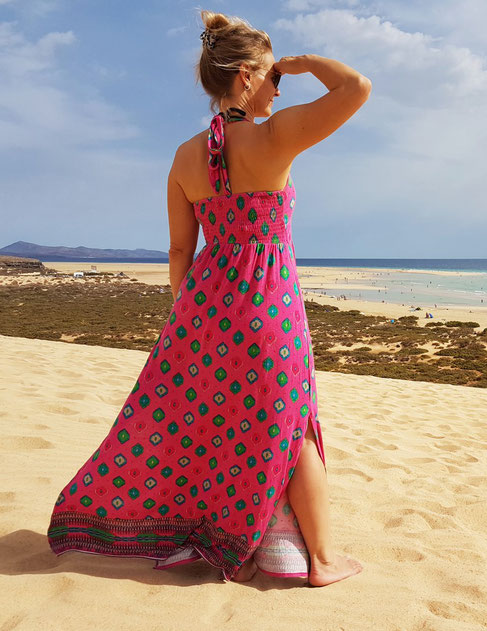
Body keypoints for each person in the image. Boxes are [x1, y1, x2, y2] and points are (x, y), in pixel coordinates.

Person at [46, 10, 368, 586]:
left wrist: (186, 323)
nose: (278, 88)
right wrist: (301, 61)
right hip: (269, 310)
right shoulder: (273, 136)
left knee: (222, 428)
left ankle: (236, 541)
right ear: (246, 75)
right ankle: (322, 559)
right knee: (291, 428)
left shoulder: (183, 156)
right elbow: (355, 88)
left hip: (203, 314)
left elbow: (178, 253)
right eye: (273, 77)